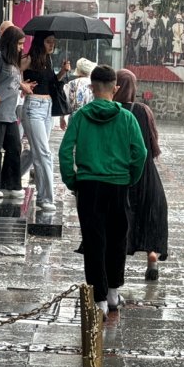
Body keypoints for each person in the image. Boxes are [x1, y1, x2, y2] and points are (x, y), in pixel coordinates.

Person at [59, 65, 147, 317]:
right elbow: (140, 153)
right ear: (115, 88)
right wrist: (131, 177)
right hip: (119, 184)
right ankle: (112, 292)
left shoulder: (81, 116)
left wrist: (71, 179)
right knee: (118, 236)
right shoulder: (127, 118)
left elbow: (65, 151)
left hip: (88, 185)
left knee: (94, 238)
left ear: (91, 88)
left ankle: (97, 298)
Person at [113, 69, 168, 280]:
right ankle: (152, 255)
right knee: (150, 214)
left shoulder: (114, 110)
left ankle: (119, 262)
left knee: (124, 218)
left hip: (122, 172)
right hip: (147, 172)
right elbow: (153, 145)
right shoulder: (143, 110)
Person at [21, 31, 71, 212]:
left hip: (47, 108)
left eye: (54, 42)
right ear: (40, 42)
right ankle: (45, 198)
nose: (52, 45)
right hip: (33, 107)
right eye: (49, 42)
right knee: (44, 153)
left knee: (35, 151)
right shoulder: (28, 59)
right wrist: (22, 85)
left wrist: (62, 73)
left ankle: (10, 179)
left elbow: (51, 84)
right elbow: (11, 73)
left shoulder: (48, 61)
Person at [0, 26, 33, 200]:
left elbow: (11, 79)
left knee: (14, 147)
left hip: (10, 113)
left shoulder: (11, 59)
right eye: (20, 43)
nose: (22, 47)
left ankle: (11, 184)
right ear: (10, 42)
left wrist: (23, 86)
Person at [62, 57, 96, 130]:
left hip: (74, 117)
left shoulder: (71, 84)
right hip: (91, 117)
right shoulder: (95, 84)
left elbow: (64, 102)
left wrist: (62, 118)